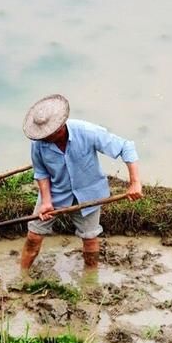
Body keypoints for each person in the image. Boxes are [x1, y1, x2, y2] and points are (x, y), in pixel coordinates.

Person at [20, 94, 143, 279]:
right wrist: (46, 201)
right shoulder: (39, 143)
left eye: (48, 135)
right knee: (34, 235)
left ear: (60, 128)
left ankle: (90, 280)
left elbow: (126, 147)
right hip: (55, 192)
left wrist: (134, 183)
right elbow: (41, 173)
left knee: (90, 238)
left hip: (89, 193)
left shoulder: (87, 132)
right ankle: (22, 275)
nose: (44, 139)